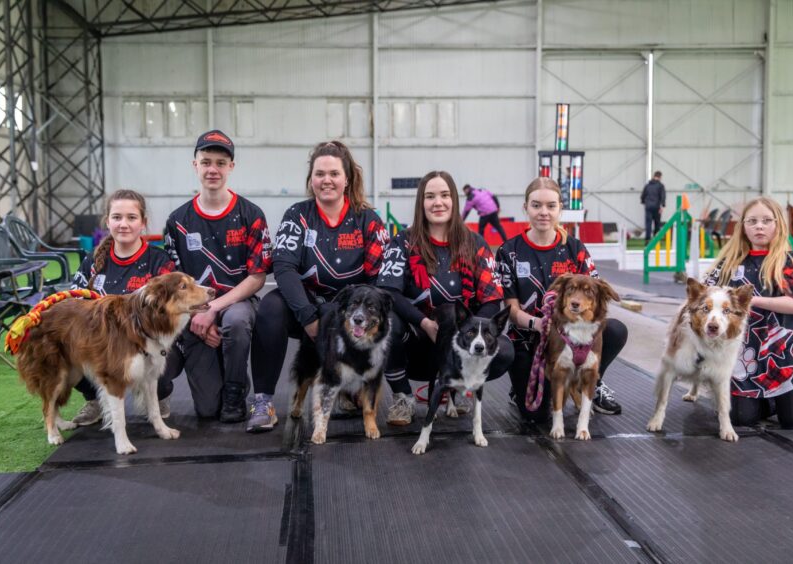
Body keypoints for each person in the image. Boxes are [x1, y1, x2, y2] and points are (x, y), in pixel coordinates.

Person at [247, 141, 389, 432]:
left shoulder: (368, 220)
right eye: (320, 174)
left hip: (351, 315)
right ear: (311, 179)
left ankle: (359, 390)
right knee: (270, 307)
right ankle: (263, 401)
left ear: (346, 178)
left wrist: (354, 317)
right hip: (309, 308)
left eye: (334, 173)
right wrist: (309, 317)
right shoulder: (297, 215)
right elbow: (284, 267)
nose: (327, 180)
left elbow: (380, 281)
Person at [378, 171, 514, 426]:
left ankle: (458, 386)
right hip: (417, 345)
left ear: (455, 200)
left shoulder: (475, 243)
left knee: (505, 349)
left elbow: (491, 299)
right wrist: (424, 323)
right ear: (421, 203)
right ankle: (403, 397)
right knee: (386, 321)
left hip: (461, 346)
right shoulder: (403, 241)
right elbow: (389, 292)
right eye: (430, 196)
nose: (437, 202)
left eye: (444, 195)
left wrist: (469, 337)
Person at [496, 177, 627, 421]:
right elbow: (510, 308)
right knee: (537, 417)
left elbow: (595, 297)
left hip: (572, 335)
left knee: (616, 330)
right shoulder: (508, 251)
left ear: (560, 209)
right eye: (536, 205)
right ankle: (521, 388)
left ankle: (591, 382)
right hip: (528, 338)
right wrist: (538, 324)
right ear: (526, 208)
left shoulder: (575, 248)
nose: (543, 212)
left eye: (550, 206)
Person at [164, 130, 272, 423]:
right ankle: (196, 366)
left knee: (235, 320)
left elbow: (257, 276)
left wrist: (212, 309)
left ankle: (236, 391)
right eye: (206, 162)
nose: (213, 169)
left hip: (238, 302)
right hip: (192, 312)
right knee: (207, 411)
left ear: (231, 167)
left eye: (221, 163)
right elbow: (173, 283)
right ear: (195, 165)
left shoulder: (252, 214)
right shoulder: (178, 221)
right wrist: (196, 317)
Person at [704, 197, 793, 429]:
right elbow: (706, 298)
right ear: (743, 226)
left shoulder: (791, 261)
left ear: (778, 225)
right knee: (740, 419)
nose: (759, 226)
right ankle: (766, 400)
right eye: (752, 221)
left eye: (766, 221)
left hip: (782, 353)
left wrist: (750, 301)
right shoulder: (727, 264)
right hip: (741, 353)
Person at [69, 189, 178, 426]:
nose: (124, 224)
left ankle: (158, 396)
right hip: (105, 348)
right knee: (70, 341)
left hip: (148, 345)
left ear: (143, 223)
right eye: (117, 217)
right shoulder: (92, 260)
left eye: (131, 217)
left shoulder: (159, 261)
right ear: (107, 221)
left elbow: (169, 313)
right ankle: (94, 399)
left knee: (160, 352)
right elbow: (73, 304)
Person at [641, 171, 666, 244]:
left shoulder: (647, 185)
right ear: (660, 177)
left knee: (648, 223)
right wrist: (662, 206)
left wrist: (643, 202)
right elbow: (663, 196)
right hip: (656, 206)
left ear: (654, 176)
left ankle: (647, 240)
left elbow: (643, 195)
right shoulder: (661, 186)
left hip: (648, 206)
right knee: (657, 223)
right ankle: (656, 239)